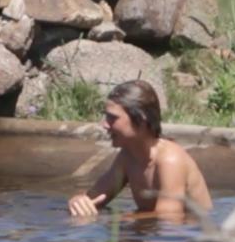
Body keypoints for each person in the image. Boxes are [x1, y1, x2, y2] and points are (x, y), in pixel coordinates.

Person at [67, 80, 213, 218]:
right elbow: (93, 198)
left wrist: (118, 220)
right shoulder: (127, 157)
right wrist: (77, 201)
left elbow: (168, 220)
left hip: (193, 237)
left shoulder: (170, 160)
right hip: (154, 235)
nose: (104, 124)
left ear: (141, 121)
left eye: (113, 118)